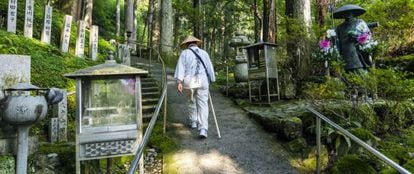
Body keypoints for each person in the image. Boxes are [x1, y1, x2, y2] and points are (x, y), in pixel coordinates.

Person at [174, 36, 215, 139]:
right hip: (203, 80)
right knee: (203, 104)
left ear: (187, 44)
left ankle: (193, 121)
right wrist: (212, 79)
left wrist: (179, 82)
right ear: (196, 43)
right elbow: (210, 68)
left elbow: (181, 68)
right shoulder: (204, 53)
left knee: (191, 100)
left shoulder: (185, 53)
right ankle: (203, 129)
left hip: (189, 80)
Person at [334, 4, 372, 72]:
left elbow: (368, 35)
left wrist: (358, 38)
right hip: (345, 53)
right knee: (347, 74)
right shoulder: (340, 27)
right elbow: (337, 42)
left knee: (361, 73)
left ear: (353, 13)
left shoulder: (360, 22)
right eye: (345, 13)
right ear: (342, 15)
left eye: (349, 13)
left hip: (358, 53)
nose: (347, 15)